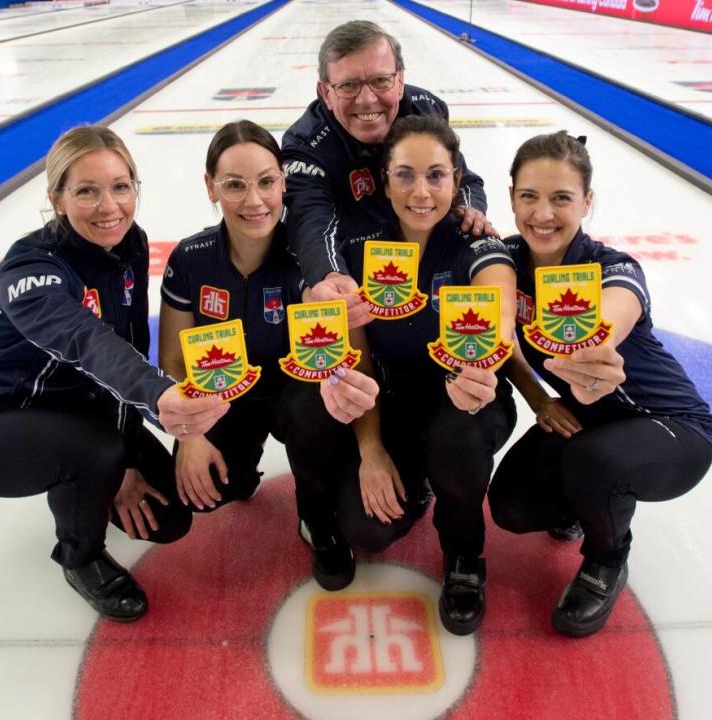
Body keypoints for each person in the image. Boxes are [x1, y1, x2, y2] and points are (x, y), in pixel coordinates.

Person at [0, 126, 229, 623]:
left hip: (84, 412)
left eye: (120, 187)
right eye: (86, 191)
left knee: (173, 518)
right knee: (96, 452)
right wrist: (157, 400)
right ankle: (79, 556)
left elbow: (128, 343)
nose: (109, 206)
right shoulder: (31, 268)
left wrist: (128, 461)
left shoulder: (129, 244)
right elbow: (85, 341)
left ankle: (87, 473)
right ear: (56, 197)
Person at [279, 115, 517, 635]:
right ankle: (418, 480)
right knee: (367, 531)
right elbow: (356, 350)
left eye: (436, 175)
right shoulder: (364, 246)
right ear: (383, 182)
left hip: (466, 402)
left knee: (457, 431)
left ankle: (463, 556)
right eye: (405, 175)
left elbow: (498, 298)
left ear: (458, 180)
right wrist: (370, 449)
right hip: (393, 410)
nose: (422, 191)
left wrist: (482, 362)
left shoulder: (473, 238)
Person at [490, 131, 712, 637]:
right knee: (510, 507)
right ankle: (587, 497)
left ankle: (608, 556)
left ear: (587, 203)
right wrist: (539, 399)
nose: (543, 213)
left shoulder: (612, 267)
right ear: (511, 198)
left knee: (595, 463)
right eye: (528, 196)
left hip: (672, 428)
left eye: (561, 198)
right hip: (588, 420)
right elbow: (493, 334)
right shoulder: (504, 261)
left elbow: (613, 313)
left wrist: (596, 349)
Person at [157, 120, 378, 512]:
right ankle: (244, 460)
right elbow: (173, 360)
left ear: (283, 184)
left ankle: (315, 514)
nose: (254, 201)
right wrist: (190, 436)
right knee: (207, 493)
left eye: (265, 182)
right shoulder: (191, 260)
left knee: (315, 405)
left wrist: (367, 441)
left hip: (299, 398)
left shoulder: (306, 261)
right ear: (211, 186)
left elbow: (349, 350)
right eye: (235, 184)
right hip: (226, 398)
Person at [282, 20, 493, 330]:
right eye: (348, 85)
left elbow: (462, 177)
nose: (367, 100)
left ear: (400, 81)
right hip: (357, 269)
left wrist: (470, 208)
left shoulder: (425, 110)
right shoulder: (306, 144)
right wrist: (330, 274)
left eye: (381, 80)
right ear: (325, 92)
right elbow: (309, 219)